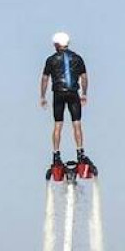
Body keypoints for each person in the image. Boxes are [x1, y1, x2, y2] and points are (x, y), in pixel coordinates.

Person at [39, 31, 90, 165]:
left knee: (58, 124)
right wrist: (84, 94)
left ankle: (56, 154)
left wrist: (42, 96)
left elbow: (45, 79)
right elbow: (84, 77)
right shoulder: (77, 58)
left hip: (58, 93)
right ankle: (80, 153)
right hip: (73, 93)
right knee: (77, 123)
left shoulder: (51, 60)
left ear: (56, 45)